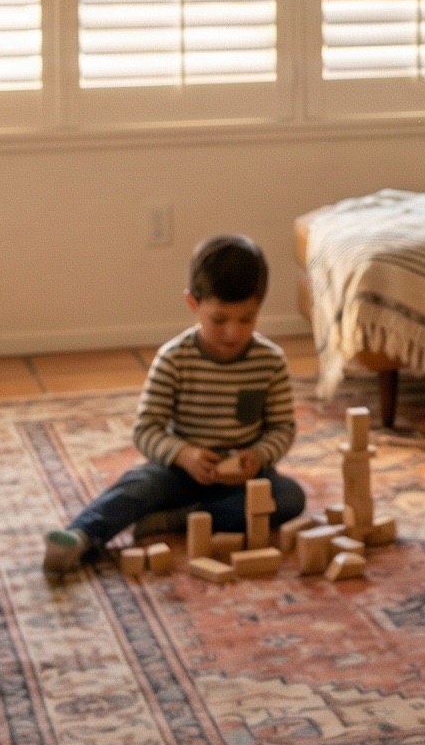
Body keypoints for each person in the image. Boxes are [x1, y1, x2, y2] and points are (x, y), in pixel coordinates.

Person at [41, 234, 305, 575]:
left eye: (247, 319)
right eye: (220, 319)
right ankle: (81, 534)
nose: (232, 333)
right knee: (138, 485)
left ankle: (176, 519)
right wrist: (184, 454)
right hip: (180, 470)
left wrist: (260, 456)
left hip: (242, 480)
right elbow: (146, 429)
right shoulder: (174, 358)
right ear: (193, 304)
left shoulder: (270, 361)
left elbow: (283, 427)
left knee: (288, 497)